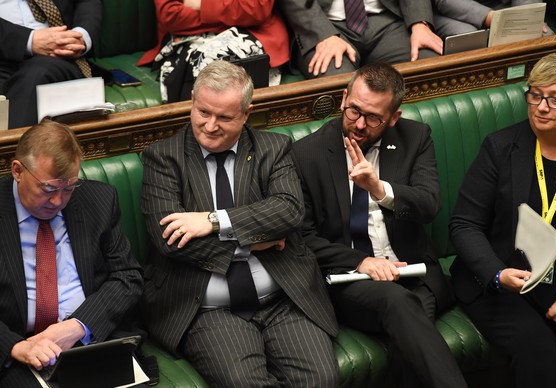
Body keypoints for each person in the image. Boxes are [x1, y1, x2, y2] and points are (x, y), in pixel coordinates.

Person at [141, 60, 339, 387]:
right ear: (192, 99)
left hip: (281, 298)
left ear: (246, 114)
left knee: (321, 379)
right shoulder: (164, 158)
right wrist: (253, 239)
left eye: (225, 117)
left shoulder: (272, 149)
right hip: (208, 308)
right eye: (203, 112)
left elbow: (289, 211)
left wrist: (215, 221)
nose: (210, 125)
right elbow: (169, 239)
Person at [292, 62, 467, 387]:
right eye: (354, 111)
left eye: (373, 118)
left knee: (408, 341)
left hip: (412, 273)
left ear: (393, 117)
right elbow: (302, 238)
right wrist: (363, 261)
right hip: (352, 280)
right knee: (401, 306)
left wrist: (379, 190)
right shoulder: (306, 153)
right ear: (343, 98)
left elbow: (429, 205)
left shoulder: (416, 137)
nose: (359, 124)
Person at [449, 51, 556, 388]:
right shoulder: (501, 147)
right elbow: (464, 224)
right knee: (540, 355)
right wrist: (496, 272)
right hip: (503, 287)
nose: (540, 106)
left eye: (555, 99)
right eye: (535, 94)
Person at [0, 120, 144, 387]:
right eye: (49, 189)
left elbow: (128, 277)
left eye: (68, 188)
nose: (58, 201)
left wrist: (78, 326)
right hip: (19, 350)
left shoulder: (98, 201)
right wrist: (15, 347)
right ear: (18, 171)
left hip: (88, 341)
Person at [137, 0, 289, 103]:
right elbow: (170, 15)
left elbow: (256, 8)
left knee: (213, 66)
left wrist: (202, 4)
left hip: (252, 35)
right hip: (188, 40)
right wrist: (228, 14)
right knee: (194, 69)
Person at [0, 1, 101, 129]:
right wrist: (29, 40)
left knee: (36, 74)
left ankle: (13, 148)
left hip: (56, 57)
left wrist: (80, 37)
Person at [277, 0, 442, 79]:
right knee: (339, 81)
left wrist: (420, 23)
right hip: (324, 26)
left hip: (385, 20)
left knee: (429, 67)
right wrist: (324, 34)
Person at [432, 0, 552, 38]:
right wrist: (492, 18)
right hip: (449, 11)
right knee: (470, 37)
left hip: (502, 4)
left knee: (544, 36)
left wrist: (530, 13)